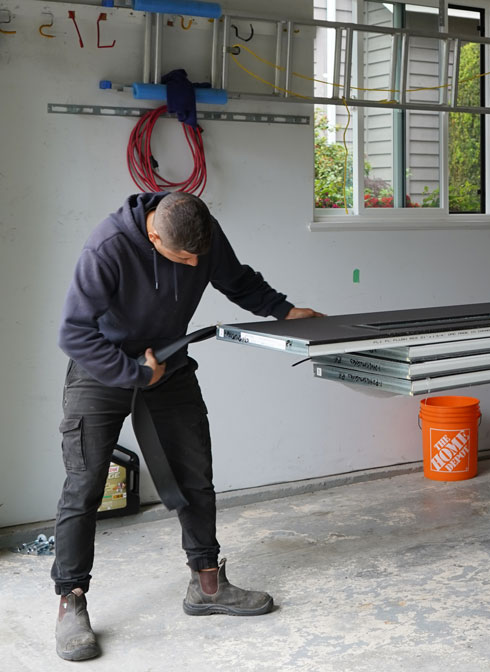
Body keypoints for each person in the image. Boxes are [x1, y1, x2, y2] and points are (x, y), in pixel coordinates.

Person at [52, 192, 323, 661]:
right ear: (154, 235)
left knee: (194, 474)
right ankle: (70, 601)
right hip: (102, 369)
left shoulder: (200, 230)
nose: (195, 264)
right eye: (183, 257)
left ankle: (207, 584)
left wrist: (284, 310)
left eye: (199, 254)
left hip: (169, 364)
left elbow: (236, 280)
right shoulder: (108, 248)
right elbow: (74, 333)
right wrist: (135, 373)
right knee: (84, 486)